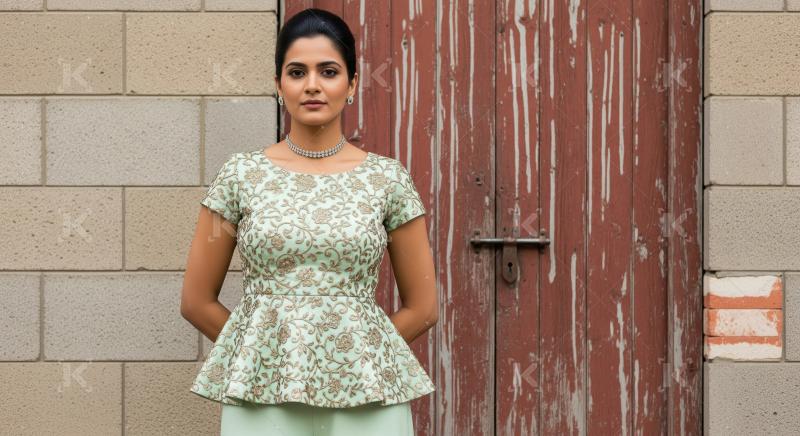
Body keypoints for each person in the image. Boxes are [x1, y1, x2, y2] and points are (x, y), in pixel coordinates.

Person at [180, 8, 438, 436]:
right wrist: (263, 353)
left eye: (329, 71)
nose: (313, 85)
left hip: (366, 398)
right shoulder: (240, 175)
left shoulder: (388, 179)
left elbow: (423, 309)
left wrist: (354, 353)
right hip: (262, 398)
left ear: (352, 84)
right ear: (278, 84)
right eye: (297, 72)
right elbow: (195, 301)